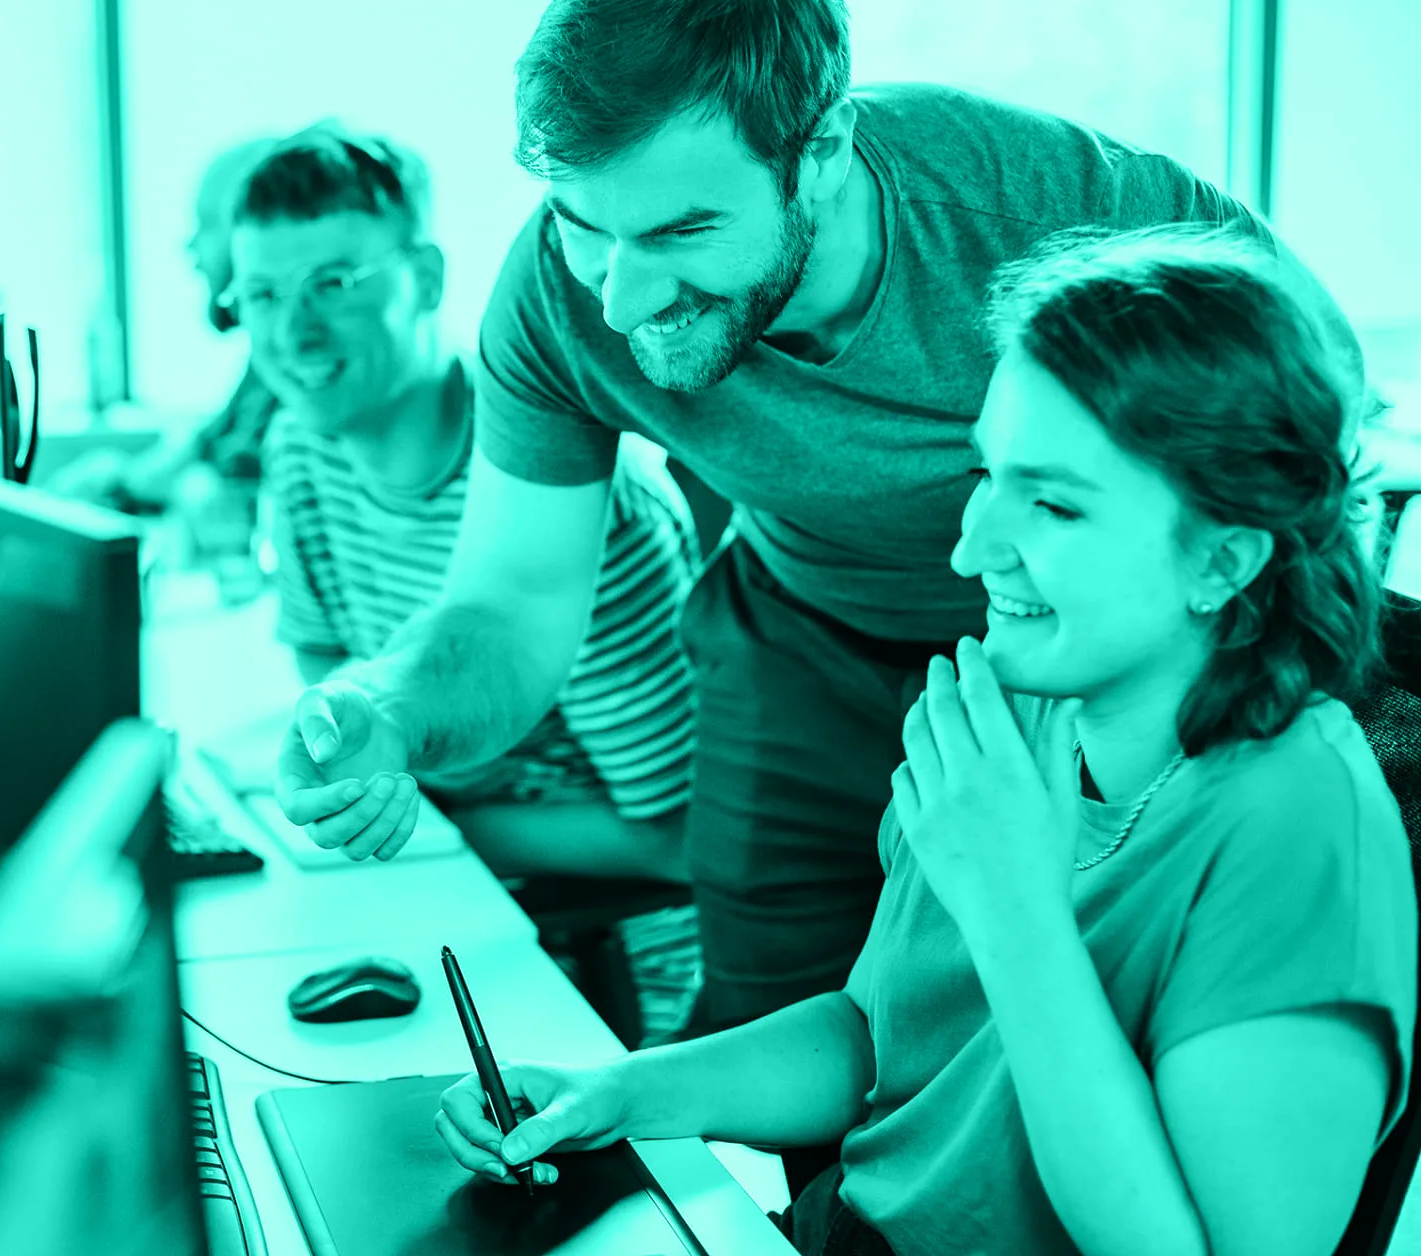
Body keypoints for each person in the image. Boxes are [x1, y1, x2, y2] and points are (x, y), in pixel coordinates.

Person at [270, 0, 1368, 1109]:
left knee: (1029, 1053)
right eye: (582, 224)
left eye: (683, 230)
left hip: (1062, 655)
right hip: (801, 629)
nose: (620, 299)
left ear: (824, 150)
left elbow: (1316, 429)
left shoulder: (1059, 215)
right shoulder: (564, 292)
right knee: (771, 1031)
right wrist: (386, 711)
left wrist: (1216, 721)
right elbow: (511, 605)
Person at [432, 225, 1417, 1256]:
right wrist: (617, 1091)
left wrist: (1015, 910)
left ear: (1221, 561)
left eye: (1053, 503)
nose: (971, 547)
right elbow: (875, 1034)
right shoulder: (1020, 703)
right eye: (988, 474)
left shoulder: (1300, 827)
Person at [236, 124, 698, 882]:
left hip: (586, 921)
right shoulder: (300, 448)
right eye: (262, 295)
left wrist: (423, 823)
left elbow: (673, 839)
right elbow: (322, 655)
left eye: (334, 284)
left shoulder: (568, 490)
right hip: (435, 872)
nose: (294, 333)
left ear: (425, 280)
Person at [50, 138, 282, 594]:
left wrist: (172, 484)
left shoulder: (297, 370)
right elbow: (204, 444)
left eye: (207, 223)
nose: (190, 246)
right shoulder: (261, 363)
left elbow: (237, 506)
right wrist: (121, 476)